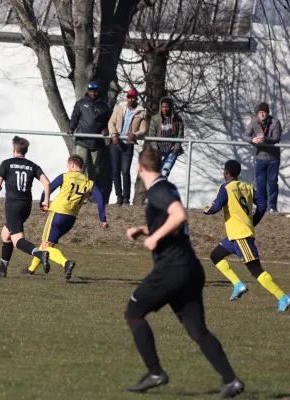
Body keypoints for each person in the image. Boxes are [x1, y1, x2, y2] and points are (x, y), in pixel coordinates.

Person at [124, 147, 243, 398]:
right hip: (190, 268)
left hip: (172, 269)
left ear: (140, 168)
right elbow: (170, 220)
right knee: (197, 330)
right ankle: (231, 380)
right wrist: (145, 229)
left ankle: (155, 372)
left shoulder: (157, 190)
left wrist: (154, 236)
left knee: (133, 312)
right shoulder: (166, 187)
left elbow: (179, 215)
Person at [204, 160, 290, 312]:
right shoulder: (248, 187)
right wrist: (253, 221)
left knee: (256, 270)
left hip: (240, 236)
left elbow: (215, 206)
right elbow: (262, 204)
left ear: (226, 172)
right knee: (215, 255)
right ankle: (238, 284)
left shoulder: (225, 187)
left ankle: (283, 297)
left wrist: (206, 210)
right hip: (233, 237)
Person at [20, 155, 108, 280]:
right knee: (47, 243)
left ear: (72, 165)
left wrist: (42, 204)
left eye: (68, 166)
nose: (67, 169)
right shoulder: (89, 183)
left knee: (47, 246)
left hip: (57, 214)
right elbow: (100, 200)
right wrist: (103, 218)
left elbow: (47, 188)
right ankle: (31, 269)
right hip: (71, 218)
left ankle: (66, 263)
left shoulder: (65, 176)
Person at [0, 136, 51, 278]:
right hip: (26, 207)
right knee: (5, 234)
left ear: (13, 149)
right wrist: (46, 202)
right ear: (25, 151)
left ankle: (40, 254)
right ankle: (2, 268)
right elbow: (46, 183)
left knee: (17, 240)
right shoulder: (32, 165)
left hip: (13, 206)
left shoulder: (6, 163)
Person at [108, 89, 147, 205]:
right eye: (129, 97)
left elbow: (143, 129)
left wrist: (134, 134)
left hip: (128, 144)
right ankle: (118, 197)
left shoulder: (141, 112)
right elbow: (111, 122)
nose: (131, 99)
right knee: (115, 171)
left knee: (125, 171)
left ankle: (126, 198)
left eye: (133, 97)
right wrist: (113, 134)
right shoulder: (120, 107)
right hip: (116, 142)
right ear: (126, 97)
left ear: (136, 98)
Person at [242, 102, 282, 214]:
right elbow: (245, 135)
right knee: (260, 183)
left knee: (273, 182)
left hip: (273, 158)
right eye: (260, 113)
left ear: (267, 113)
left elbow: (276, 138)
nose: (262, 115)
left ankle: (272, 207)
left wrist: (265, 139)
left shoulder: (275, 122)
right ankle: (262, 206)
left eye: (264, 113)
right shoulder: (254, 121)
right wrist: (252, 140)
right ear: (258, 113)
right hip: (260, 158)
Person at [67, 81, 111, 182]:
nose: (93, 93)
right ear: (87, 91)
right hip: (82, 140)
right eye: (91, 91)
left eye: (95, 91)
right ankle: (76, 190)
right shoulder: (80, 103)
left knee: (93, 169)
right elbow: (74, 117)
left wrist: (106, 130)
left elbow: (108, 122)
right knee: (79, 167)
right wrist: (71, 128)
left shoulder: (104, 106)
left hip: (96, 142)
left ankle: (89, 193)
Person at [147, 97, 184, 179]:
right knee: (156, 174)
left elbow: (180, 134)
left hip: (171, 151)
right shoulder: (155, 119)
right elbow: (151, 135)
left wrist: (176, 147)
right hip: (158, 150)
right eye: (163, 107)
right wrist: (155, 149)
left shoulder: (177, 119)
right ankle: (157, 190)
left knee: (164, 172)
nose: (165, 109)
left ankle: (163, 190)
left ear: (170, 107)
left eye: (167, 107)